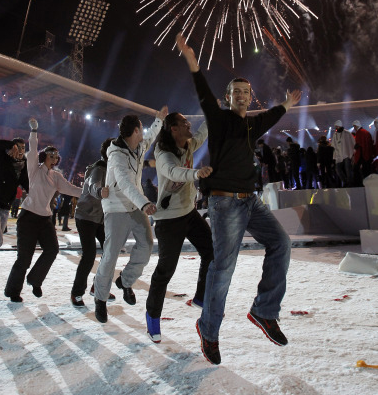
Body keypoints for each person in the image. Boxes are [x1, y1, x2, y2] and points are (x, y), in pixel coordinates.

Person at [176, 32, 301, 365]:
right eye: (236, 92)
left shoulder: (253, 125)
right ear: (228, 97)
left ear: (250, 97)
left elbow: (272, 115)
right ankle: (209, 330)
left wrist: (288, 104)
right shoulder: (218, 119)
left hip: (251, 201)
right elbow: (203, 95)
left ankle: (264, 311)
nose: (242, 96)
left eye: (246, 92)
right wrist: (192, 62)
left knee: (282, 243)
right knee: (224, 267)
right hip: (225, 202)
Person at [93, 107, 168, 323]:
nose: (143, 133)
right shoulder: (116, 155)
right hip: (117, 207)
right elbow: (124, 183)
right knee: (111, 254)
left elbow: (151, 137)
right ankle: (100, 299)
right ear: (136, 130)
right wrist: (144, 203)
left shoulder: (138, 147)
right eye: (141, 130)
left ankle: (125, 282)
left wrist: (158, 120)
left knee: (146, 244)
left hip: (135, 205)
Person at [145, 112, 213, 342]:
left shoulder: (189, 144)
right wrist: (195, 173)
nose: (189, 124)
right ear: (173, 129)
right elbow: (174, 172)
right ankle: (152, 317)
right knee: (165, 271)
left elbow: (203, 133)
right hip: (169, 220)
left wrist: (212, 114)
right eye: (184, 123)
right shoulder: (163, 154)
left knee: (211, 251)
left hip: (189, 214)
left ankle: (201, 297)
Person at [4, 120, 82, 302]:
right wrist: (34, 131)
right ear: (45, 156)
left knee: (52, 250)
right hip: (29, 218)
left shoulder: (56, 176)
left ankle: (35, 279)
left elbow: (71, 189)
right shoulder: (34, 170)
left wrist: (93, 192)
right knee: (24, 258)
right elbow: (31, 152)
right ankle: (13, 291)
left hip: (45, 219)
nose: (54, 158)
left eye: (56, 156)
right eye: (51, 154)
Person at [70, 139, 114, 307]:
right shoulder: (99, 168)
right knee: (89, 255)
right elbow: (92, 185)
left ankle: (98, 287)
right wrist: (99, 191)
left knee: (110, 252)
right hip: (86, 216)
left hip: (101, 218)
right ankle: (77, 292)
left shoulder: (113, 169)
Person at [0, 132, 29, 280]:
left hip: (5, 208)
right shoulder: (4, 159)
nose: (21, 150)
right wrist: (10, 145)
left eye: (23, 147)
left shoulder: (24, 165)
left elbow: (26, 184)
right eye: (19, 147)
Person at [331, 121, 354, 187]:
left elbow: (352, 143)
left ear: (340, 126)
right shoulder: (335, 134)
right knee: (338, 169)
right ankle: (346, 181)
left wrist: (352, 153)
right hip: (338, 155)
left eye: (337, 126)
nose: (336, 128)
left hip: (346, 153)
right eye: (336, 127)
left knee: (348, 170)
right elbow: (333, 145)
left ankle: (350, 184)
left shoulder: (347, 133)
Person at [351, 120, 374, 185]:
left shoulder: (359, 133)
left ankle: (358, 184)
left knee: (357, 170)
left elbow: (358, 144)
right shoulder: (366, 132)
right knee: (367, 171)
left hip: (361, 155)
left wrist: (355, 150)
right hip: (368, 154)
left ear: (356, 126)